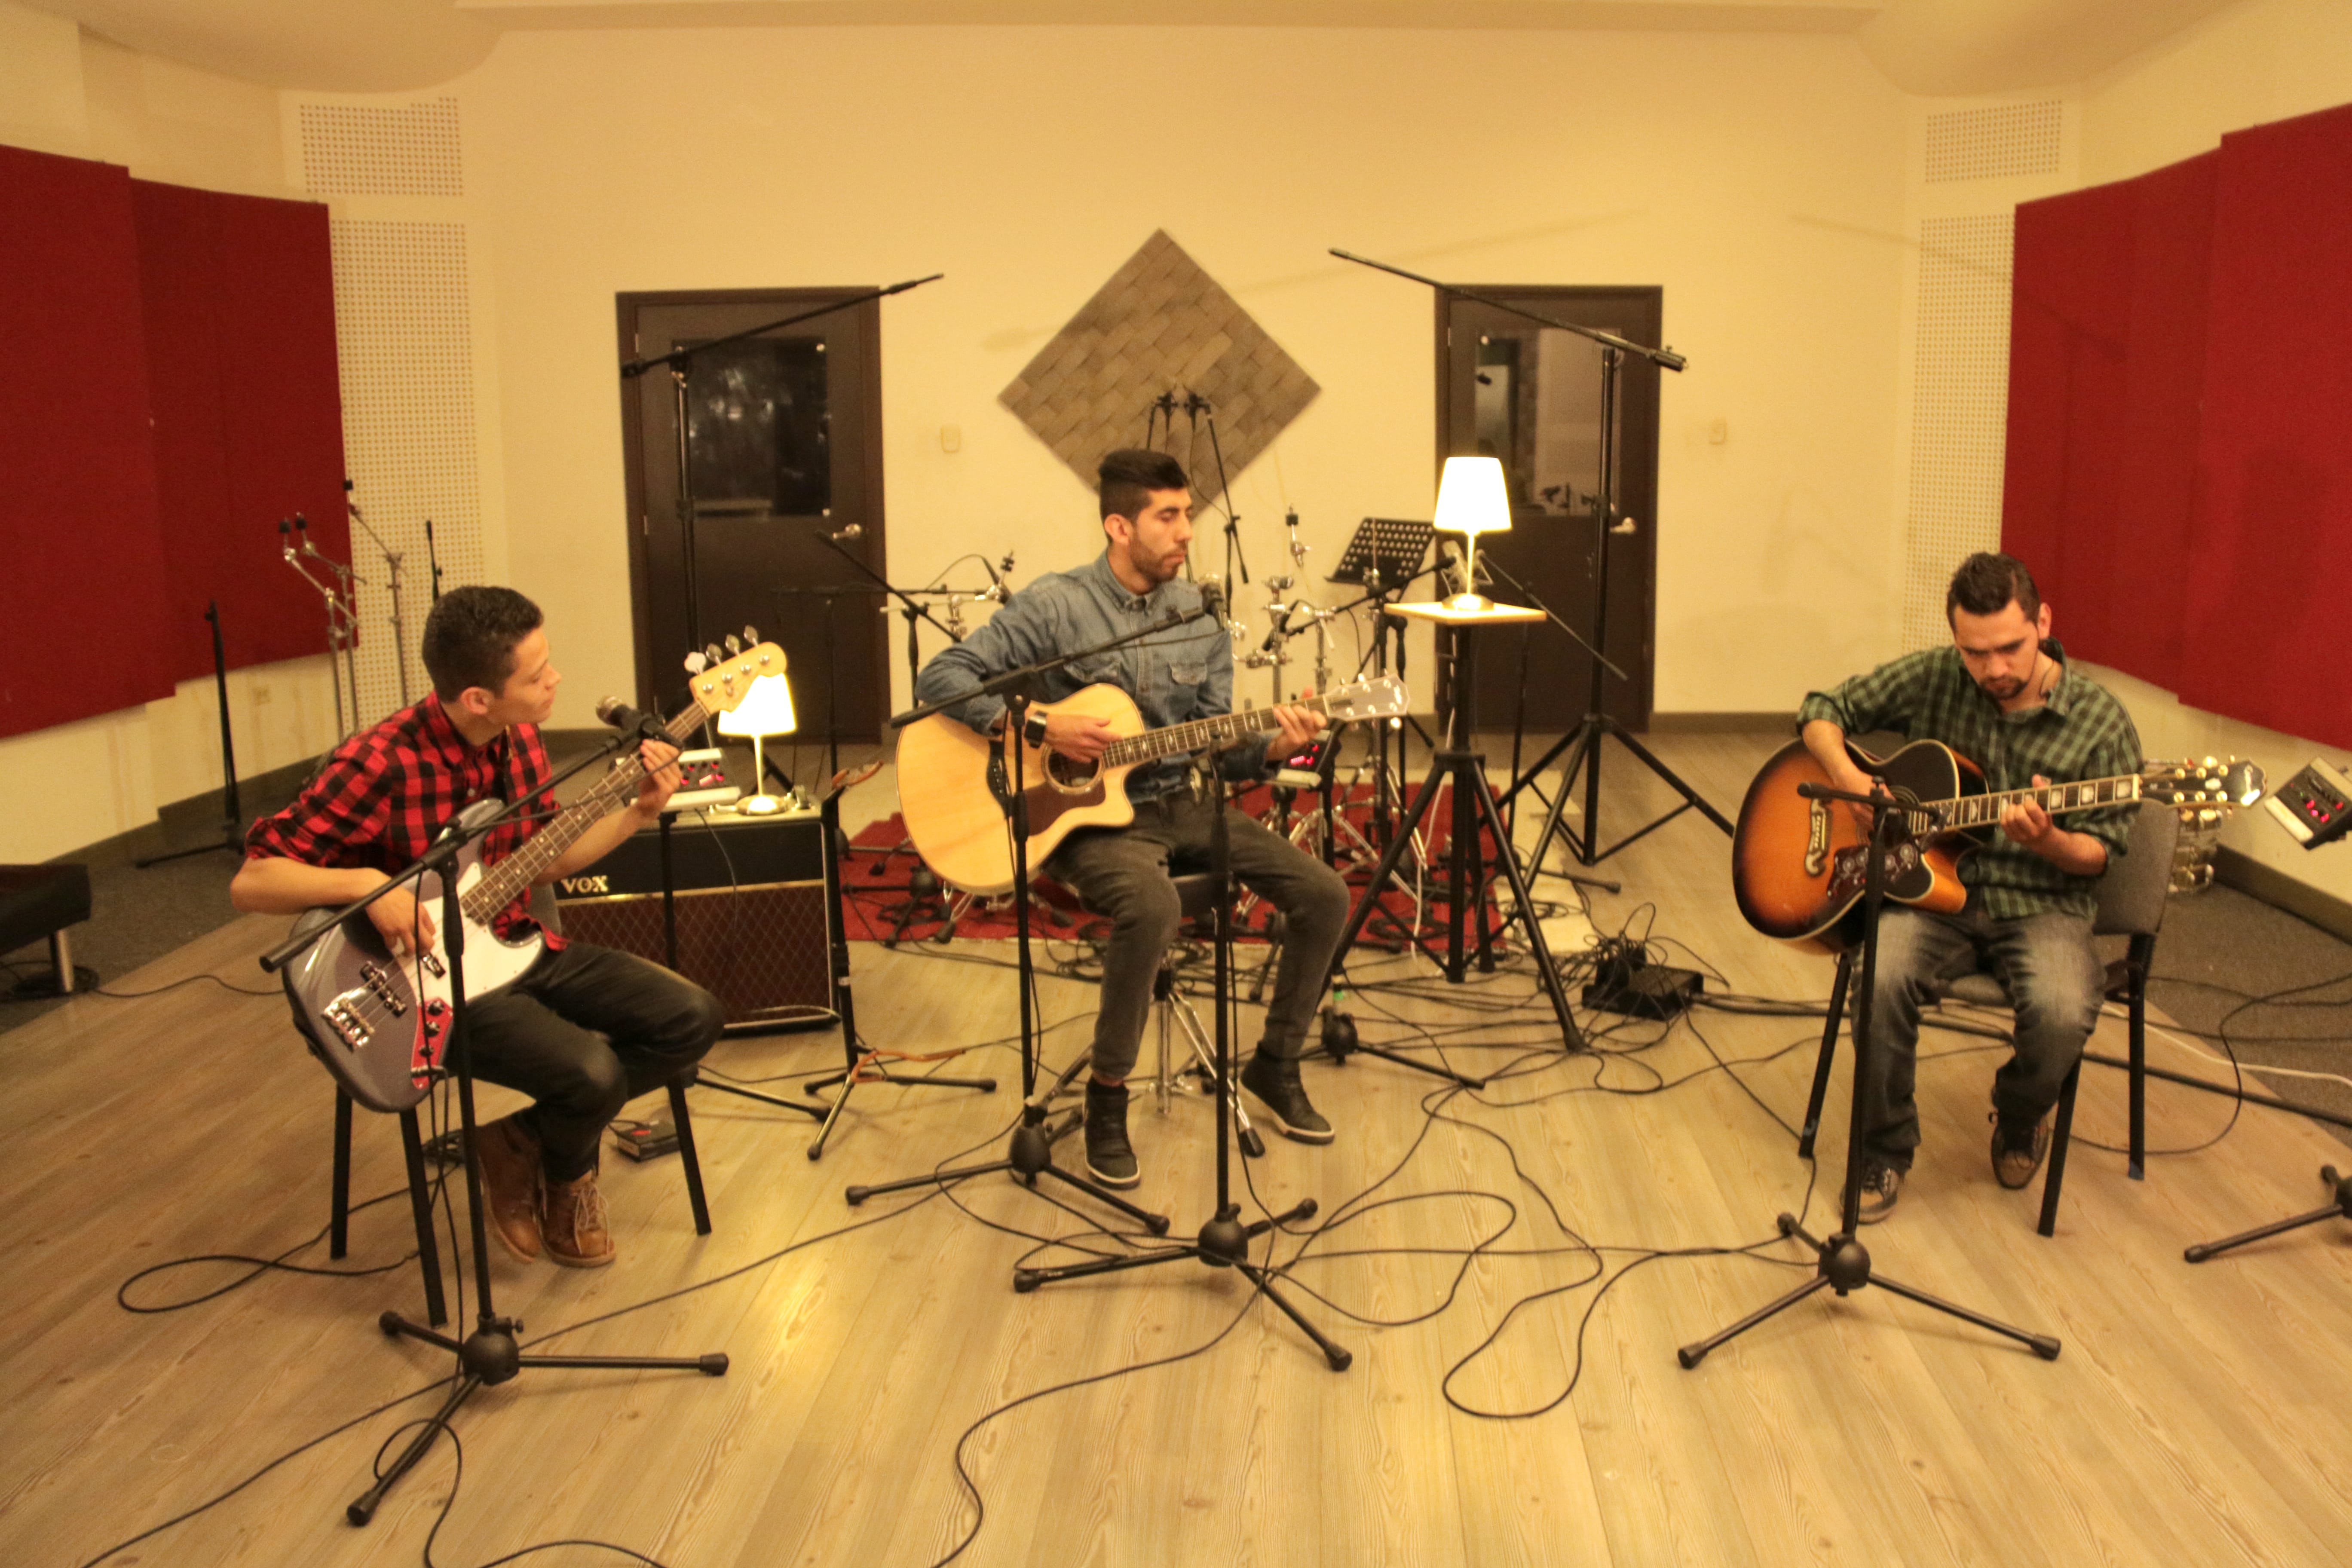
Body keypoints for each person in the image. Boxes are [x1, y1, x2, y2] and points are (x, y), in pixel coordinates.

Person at [233, 586, 724, 1268]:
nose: (556, 680)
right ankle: (569, 1177)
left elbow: (545, 861)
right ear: (477, 699)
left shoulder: (517, 739)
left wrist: (639, 812)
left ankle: (519, 1141)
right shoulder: (377, 763)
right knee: (593, 1075)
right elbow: (253, 882)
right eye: (537, 675)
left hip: (514, 944)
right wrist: (365, 886)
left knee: (692, 1018)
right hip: (424, 990)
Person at [913, 449, 1354, 1189]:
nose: (1187, 532)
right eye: (1168, 517)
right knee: (1152, 908)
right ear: (1120, 527)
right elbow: (941, 678)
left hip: (1181, 800)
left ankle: (1276, 1064)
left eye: (1188, 515)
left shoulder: (1201, 618)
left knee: (1326, 893)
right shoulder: (1057, 606)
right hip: (1083, 818)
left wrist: (1275, 745)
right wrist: (1042, 727)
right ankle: (1107, 1097)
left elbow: (1220, 747)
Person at [1796, 551, 2141, 1222]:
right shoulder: (1937, 675)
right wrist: (1849, 779)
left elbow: (2099, 855)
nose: (1995, 669)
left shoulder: (2101, 723)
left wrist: (2050, 840)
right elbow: (1820, 709)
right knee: (1880, 978)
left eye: (2010, 648)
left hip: (2042, 902)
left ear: (2043, 622)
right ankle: (1884, 1149)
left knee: (2063, 1009)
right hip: (1930, 894)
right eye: (1975, 653)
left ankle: (2020, 1114)